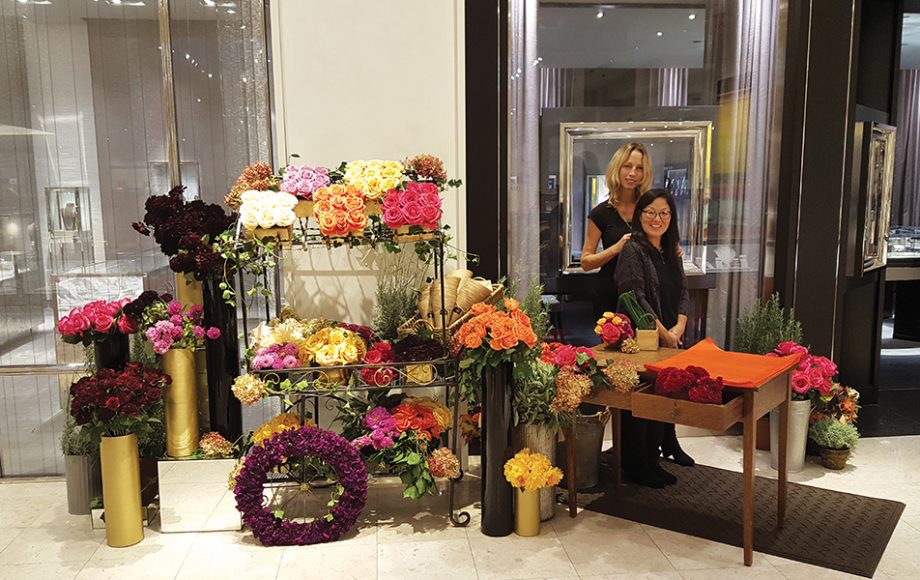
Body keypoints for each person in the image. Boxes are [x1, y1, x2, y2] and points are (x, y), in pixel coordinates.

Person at [615, 189, 694, 487]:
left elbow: (683, 292)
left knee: (663, 398)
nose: (656, 219)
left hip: (672, 338)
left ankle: (656, 456)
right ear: (640, 215)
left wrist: (680, 326)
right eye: (650, 212)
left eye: (663, 213)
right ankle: (638, 465)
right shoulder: (633, 250)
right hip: (644, 341)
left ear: (671, 217)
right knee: (642, 402)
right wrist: (663, 332)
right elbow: (634, 295)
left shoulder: (671, 250)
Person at [581, 143, 653, 317]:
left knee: (650, 344)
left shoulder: (651, 209)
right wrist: (616, 248)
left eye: (639, 168)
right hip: (610, 297)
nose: (632, 173)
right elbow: (586, 262)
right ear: (617, 169)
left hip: (647, 296)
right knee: (612, 345)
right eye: (627, 166)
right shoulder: (601, 213)